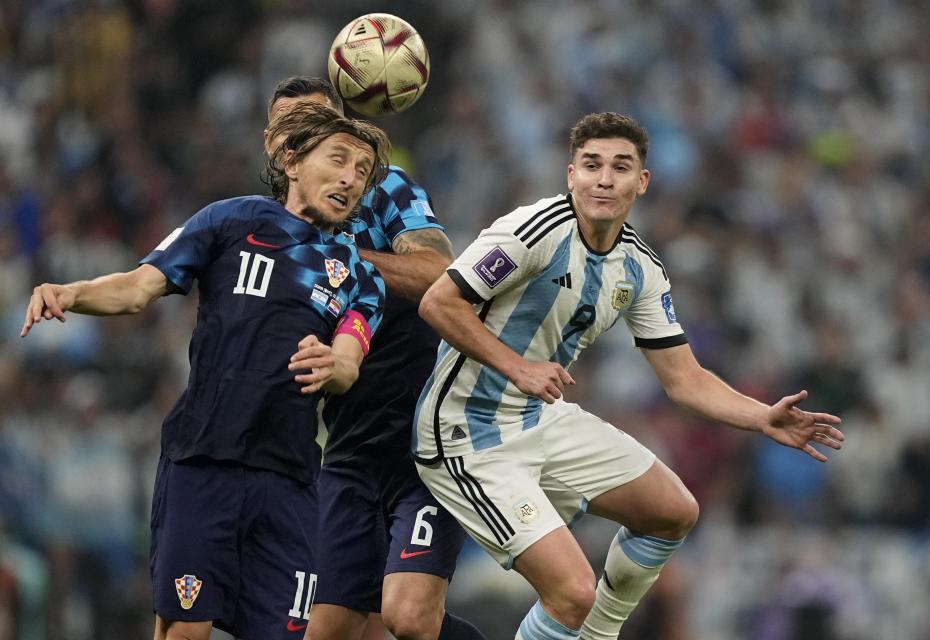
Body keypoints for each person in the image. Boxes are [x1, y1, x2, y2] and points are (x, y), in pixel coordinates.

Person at [414, 111, 845, 640]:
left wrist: (762, 418)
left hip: (536, 418)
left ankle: (599, 636)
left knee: (672, 511)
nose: (604, 178)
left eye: (620, 167)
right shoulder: (531, 231)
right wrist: (517, 366)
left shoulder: (639, 267)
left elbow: (683, 377)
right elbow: (439, 302)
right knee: (572, 592)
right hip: (466, 432)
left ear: (642, 182)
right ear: (570, 174)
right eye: (591, 165)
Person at [21, 104, 390, 640]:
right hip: (202, 461)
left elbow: (349, 360)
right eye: (338, 160)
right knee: (185, 632)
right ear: (292, 161)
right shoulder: (230, 220)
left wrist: (335, 364)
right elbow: (137, 288)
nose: (350, 178)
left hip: (288, 483)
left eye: (362, 171)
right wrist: (71, 292)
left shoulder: (361, 276)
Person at [267, 77, 487, 640]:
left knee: (408, 618)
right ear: (275, 147)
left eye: (314, 124)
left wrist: (340, 254)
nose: (300, 137)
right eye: (288, 129)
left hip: (425, 438)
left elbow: (439, 274)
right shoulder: (264, 229)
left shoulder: (384, 189)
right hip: (347, 449)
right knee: (332, 630)